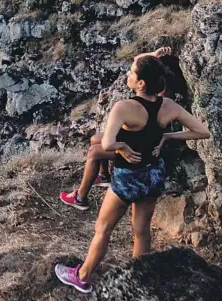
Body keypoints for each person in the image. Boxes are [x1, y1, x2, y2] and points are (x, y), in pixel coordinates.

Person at [54, 52, 210, 294]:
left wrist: (123, 147)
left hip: (130, 178)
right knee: (142, 231)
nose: (127, 74)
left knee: (103, 228)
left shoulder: (124, 107)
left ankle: (82, 276)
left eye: (131, 73)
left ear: (141, 83)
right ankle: (139, 281)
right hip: (155, 175)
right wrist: (167, 136)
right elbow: (202, 132)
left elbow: (106, 144)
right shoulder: (168, 106)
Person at [59, 49, 172, 212]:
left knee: (94, 151)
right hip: (138, 137)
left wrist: (122, 147)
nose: (129, 73)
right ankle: (104, 176)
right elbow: (137, 60)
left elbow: (159, 128)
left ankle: (80, 197)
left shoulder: (160, 93)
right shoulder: (157, 87)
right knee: (95, 139)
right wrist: (154, 54)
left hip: (139, 149)